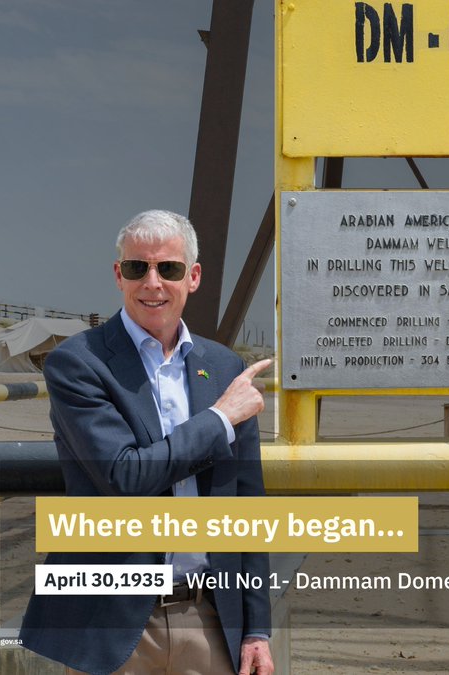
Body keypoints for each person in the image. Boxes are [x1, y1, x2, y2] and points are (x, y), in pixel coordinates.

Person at [20, 210, 275, 675]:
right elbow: (124, 474)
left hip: (209, 617)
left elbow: (248, 508)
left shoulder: (223, 368)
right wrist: (221, 418)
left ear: (192, 277)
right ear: (119, 275)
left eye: (169, 269)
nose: (152, 283)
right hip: (110, 622)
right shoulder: (77, 362)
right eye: (138, 267)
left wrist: (257, 628)